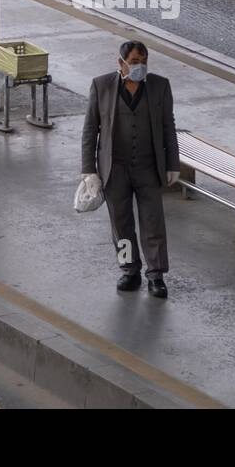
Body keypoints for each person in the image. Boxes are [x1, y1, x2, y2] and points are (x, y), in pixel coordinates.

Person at [80, 41, 180, 298]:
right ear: (121, 62)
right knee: (121, 224)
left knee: (153, 222)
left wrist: (172, 164)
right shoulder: (101, 86)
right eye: (135, 62)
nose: (140, 67)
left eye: (144, 61)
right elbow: (90, 130)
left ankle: (156, 275)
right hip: (116, 169)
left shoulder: (160, 86)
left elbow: (169, 126)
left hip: (148, 167)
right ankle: (129, 269)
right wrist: (89, 170)